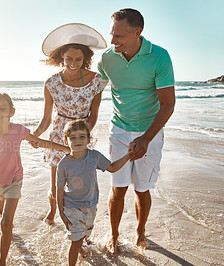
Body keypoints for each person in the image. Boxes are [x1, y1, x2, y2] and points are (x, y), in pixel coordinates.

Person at [97, 8, 176, 254]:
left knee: (142, 189)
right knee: (118, 188)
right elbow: (92, 93)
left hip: (149, 131)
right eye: (112, 34)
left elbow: (168, 104)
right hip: (119, 130)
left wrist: (146, 138)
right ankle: (114, 235)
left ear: (137, 32)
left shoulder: (160, 57)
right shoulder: (106, 58)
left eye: (119, 36)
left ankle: (140, 231)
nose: (112, 41)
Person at [0, 92, 70, 266]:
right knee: (4, 219)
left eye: (3, 108)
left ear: (12, 111)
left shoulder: (18, 130)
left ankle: (1, 261)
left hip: (14, 181)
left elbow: (39, 142)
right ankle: (8, 231)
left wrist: (65, 148)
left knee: (5, 222)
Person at [31, 23, 107, 225]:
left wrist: (81, 136)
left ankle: (81, 219)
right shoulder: (51, 83)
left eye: (79, 59)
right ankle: (53, 211)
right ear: (61, 58)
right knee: (57, 180)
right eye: (69, 59)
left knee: (81, 181)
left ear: (86, 58)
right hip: (59, 134)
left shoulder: (96, 81)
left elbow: (93, 115)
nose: (74, 63)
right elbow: (47, 118)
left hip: (83, 134)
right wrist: (35, 134)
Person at [57, 120, 130, 266]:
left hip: (91, 205)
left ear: (89, 139)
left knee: (84, 235)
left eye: (82, 137)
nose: (78, 141)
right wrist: (61, 212)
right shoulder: (63, 164)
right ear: (66, 140)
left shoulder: (94, 156)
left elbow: (113, 167)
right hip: (71, 208)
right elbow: (58, 190)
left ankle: (81, 247)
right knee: (76, 241)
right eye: (73, 138)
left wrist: (129, 155)